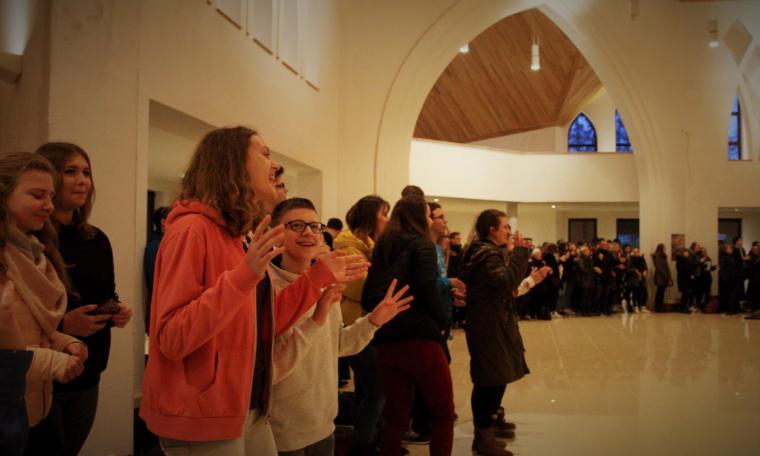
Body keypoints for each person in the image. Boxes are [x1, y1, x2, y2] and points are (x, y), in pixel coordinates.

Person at [140, 127, 367, 455]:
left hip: (248, 405)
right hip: (204, 413)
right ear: (232, 163)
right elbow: (172, 337)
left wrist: (317, 279)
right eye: (265, 154)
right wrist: (244, 276)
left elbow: (266, 323)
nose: (275, 166)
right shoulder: (191, 230)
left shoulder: (237, 236)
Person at [267, 198, 411, 456]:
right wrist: (317, 317)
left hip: (324, 424)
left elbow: (338, 345)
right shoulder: (266, 287)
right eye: (296, 225)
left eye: (315, 226)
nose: (309, 232)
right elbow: (270, 368)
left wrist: (374, 320)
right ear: (276, 234)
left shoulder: (326, 284)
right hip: (282, 430)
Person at [34, 142, 134, 455]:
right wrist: (64, 326)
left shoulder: (97, 239)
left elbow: (106, 292)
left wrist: (118, 309)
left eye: (86, 173)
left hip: (90, 371)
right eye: (71, 171)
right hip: (44, 375)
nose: (82, 181)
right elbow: (18, 314)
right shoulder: (31, 239)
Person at [0, 153, 89, 455]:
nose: (49, 206)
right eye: (38, 196)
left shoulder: (36, 254)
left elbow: (30, 326)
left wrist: (62, 341)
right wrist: (51, 361)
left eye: (50, 196)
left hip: (38, 406)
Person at [361, 196, 454, 456]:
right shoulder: (422, 245)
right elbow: (426, 288)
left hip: (387, 340)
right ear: (418, 217)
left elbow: (369, 294)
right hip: (420, 339)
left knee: (395, 416)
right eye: (427, 215)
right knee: (443, 414)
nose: (430, 220)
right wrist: (442, 321)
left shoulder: (382, 246)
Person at [458, 209, 532, 456]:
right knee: (489, 379)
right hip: (488, 325)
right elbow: (505, 282)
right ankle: (483, 437)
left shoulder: (485, 251)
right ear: (492, 230)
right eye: (505, 227)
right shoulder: (487, 254)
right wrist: (520, 253)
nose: (509, 232)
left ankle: (489, 425)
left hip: (492, 322)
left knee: (497, 375)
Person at [333, 195, 390, 456]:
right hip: (352, 323)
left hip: (364, 322)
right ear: (369, 216)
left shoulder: (368, 245)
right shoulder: (347, 246)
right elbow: (359, 287)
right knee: (377, 389)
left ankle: (362, 438)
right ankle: (363, 445)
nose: (387, 219)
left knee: (367, 388)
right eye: (383, 213)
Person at [651, 244, 673, 313]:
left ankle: (660, 306)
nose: (665, 249)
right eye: (664, 248)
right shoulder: (658, 256)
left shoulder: (662, 256)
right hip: (660, 276)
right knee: (660, 292)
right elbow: (659, 267)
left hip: (663, 276)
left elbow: (666, 267)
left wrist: (668, 276)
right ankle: (658, 307)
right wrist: (667, 277)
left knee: (662, 292)